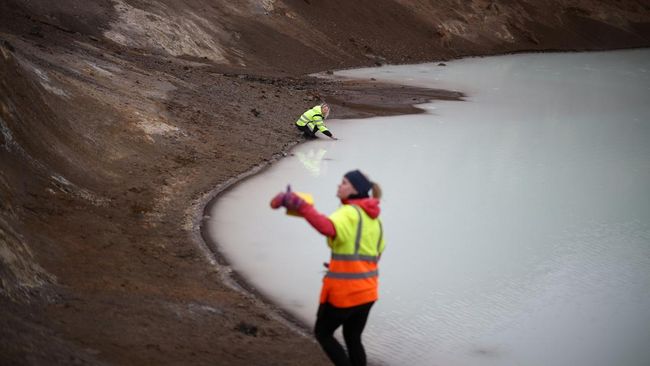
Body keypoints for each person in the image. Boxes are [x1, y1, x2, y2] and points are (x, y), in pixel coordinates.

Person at [270, 170, 385, 366]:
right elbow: (374, 256)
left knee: (323, 333)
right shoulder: (375, 220)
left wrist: (302, 206)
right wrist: (341, 264)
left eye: (344, 183)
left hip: (345, 293)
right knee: (353, 337)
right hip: (368, 293)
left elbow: (327, 227)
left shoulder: (349, 212)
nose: (339, 186)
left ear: (355, 190)